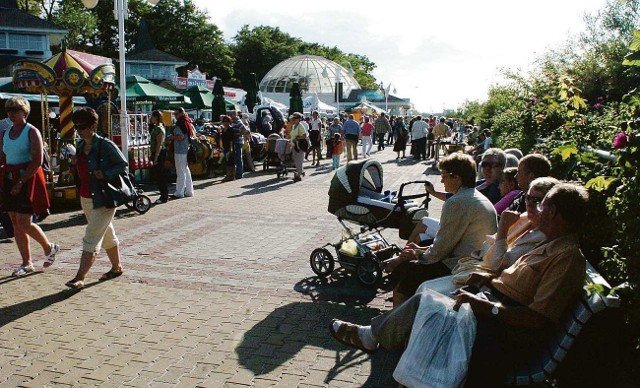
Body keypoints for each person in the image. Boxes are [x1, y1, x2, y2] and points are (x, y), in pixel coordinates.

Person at [329, 182, 588, 387]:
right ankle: (376, 339)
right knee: (427, 302)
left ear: (553, 212)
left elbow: (537, 318)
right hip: (495, 309)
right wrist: (487, 280)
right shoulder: (551, 244)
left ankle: (374, 338)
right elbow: (515, 279)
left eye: (542, 206)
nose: (537, 210)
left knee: (428, 308)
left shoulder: (565, 257)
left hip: (504, 332)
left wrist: (485, 306)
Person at [383, 153, 497, 306]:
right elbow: (446, 242)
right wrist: (420, 250)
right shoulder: (474, 196)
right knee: (413, 254)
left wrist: (416, 254)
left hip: (462, 265)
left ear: (456, 177)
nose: (441, 180)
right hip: (474, 259)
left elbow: (441, 250)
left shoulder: (457, 202)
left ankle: (396, 321)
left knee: (406, 270)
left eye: (444, 175)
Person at [65, 107, 127, 289]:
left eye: (82, 126)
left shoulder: (105, 144)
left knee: (91, 237)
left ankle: (79, 277)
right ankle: (116, 268)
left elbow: (123, 165)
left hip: (104, 198)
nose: (79, 130)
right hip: (86, 196)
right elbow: (79, 170)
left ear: (93, 125)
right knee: (107, 234)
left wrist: (105, 173)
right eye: (76, 127)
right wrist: (74, 163)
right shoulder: (80, 146)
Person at [0, 96, 59, 276]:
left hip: (27, 179)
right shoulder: (6, 132)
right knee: (15, 222)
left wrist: (20, 181)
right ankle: (26, 262)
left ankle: (49, 247)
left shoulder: (32, 131)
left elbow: (37, 161)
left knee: (25, 222)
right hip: (10, 178)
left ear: (24, 111)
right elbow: (3, 156)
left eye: (16, 110)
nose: (12, 114)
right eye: (9, 110)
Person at [169, 108, 194, 197]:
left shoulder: (181, 123)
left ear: (180, 114)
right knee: (185, 170)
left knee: (180, 171)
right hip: (185, 149)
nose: (175, 116)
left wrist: (172, 137)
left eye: (176, 114)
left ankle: (179, 192)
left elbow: (180, 137)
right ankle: (189, 191)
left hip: (180, 150)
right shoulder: (187, 122)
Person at [149, 110, 168, 204]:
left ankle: (164, 196)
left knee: (160, 175)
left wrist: (156, 157)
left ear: (156, 117)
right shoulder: (156, 127)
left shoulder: (159, 128)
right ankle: (163, 194)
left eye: (152, 117)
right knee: (158, 175)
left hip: (159, 153)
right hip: (157, 152)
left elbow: (159, 145)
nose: (150, 118)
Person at [288, 112, 308, 182]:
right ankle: (298, 173)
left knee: (299, 160)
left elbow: (305, 136)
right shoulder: (294, 126)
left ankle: (298, 176)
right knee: (295, 160)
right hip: (294, 144)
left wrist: (298, 137)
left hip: (299, 145)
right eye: (293, 118)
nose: (293, 120)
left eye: (295, 119)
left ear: (299, 119)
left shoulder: (300, 126)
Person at [228, 110, 246, 179]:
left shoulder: (238, 122)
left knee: (238, 157)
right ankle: (235, 173)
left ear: (235, 115)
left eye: (231, 114)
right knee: (235, 157)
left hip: (238, 141)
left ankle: (239, 173)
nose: (230, 116)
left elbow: (244, 129)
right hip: (234, 141)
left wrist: (239, 135)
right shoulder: (232, 122)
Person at [220, 115, 236, 182]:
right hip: (225, 147)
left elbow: (231, 140)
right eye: (224, 121)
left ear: (230, 122)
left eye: (227, 121)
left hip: (230, 147)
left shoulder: (231, 129)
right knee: (228, 161)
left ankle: (229, 176)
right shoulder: (223, 130)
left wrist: (231, 148)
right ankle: (231, 176)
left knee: (230, 162)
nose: (226, 123)